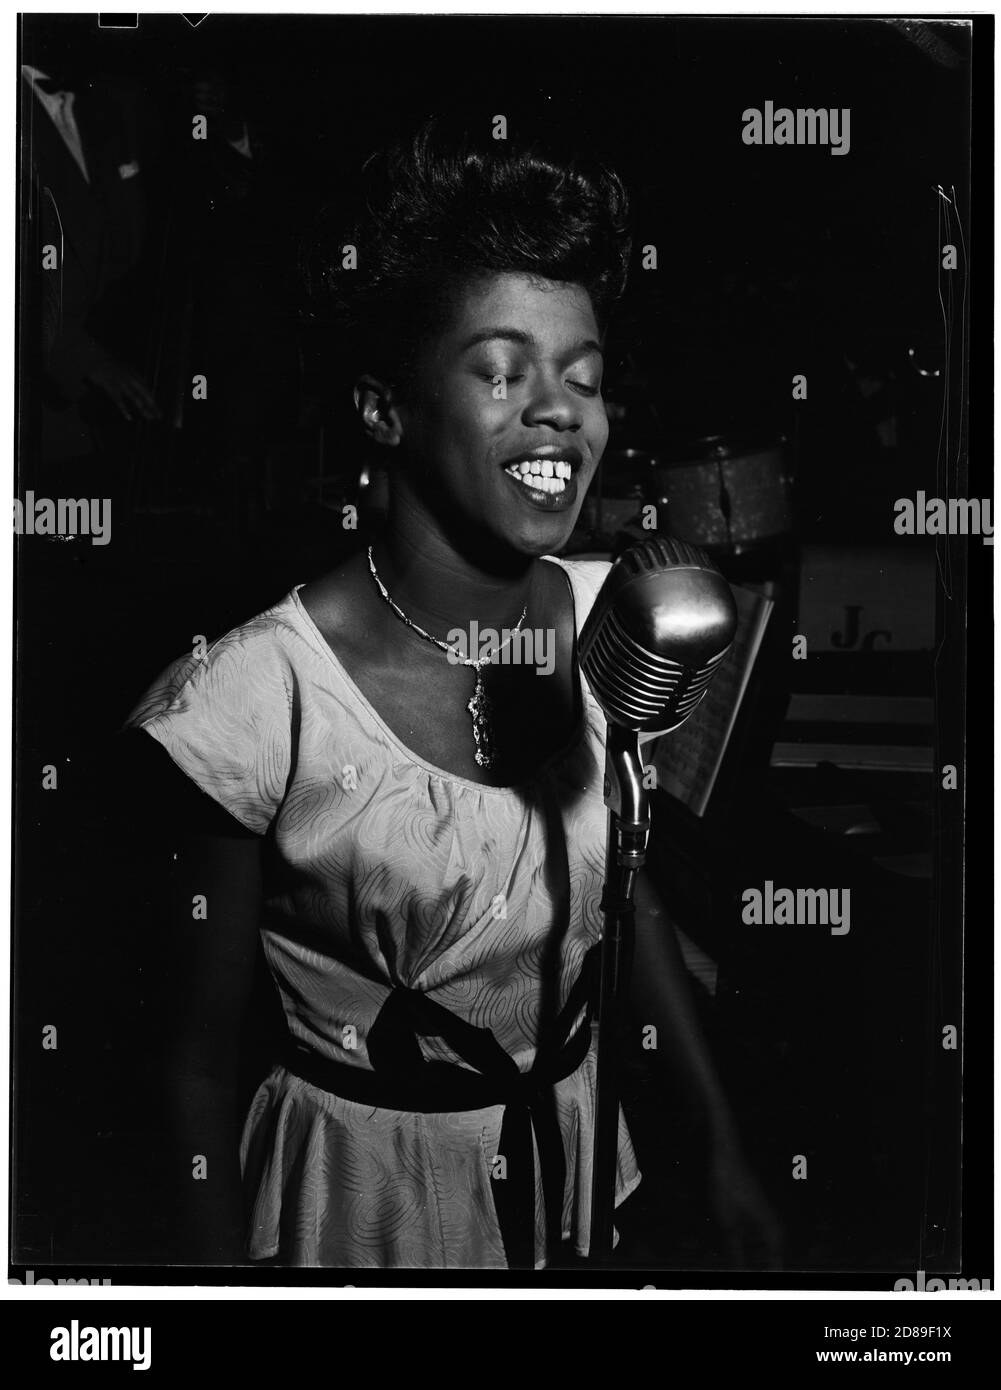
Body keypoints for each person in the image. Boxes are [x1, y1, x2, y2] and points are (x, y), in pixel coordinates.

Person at [124, 120, 779, 1271]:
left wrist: (718, 1145)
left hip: (576, 1188)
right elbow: (187, 1067)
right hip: (354, 1213)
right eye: (500, 369)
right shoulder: (256, 693)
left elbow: (630, 905)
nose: (558, 410)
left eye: (582, 378)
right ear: (385, 409)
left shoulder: (605, 620)